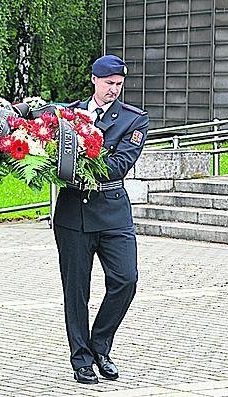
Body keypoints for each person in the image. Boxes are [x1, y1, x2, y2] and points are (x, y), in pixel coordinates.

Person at [53, 54, 149, 384]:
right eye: (109, 84)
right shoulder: (67, 114)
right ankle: (80, 358)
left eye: (119, 85)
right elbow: (40, 138)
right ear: (94, 80)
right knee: (76, 291)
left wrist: (73, 163)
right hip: (73, 213)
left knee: (126, 279)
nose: (114, 90)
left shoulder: (133, 120)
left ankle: (100, 344)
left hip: (111, 211)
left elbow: (120, 163)